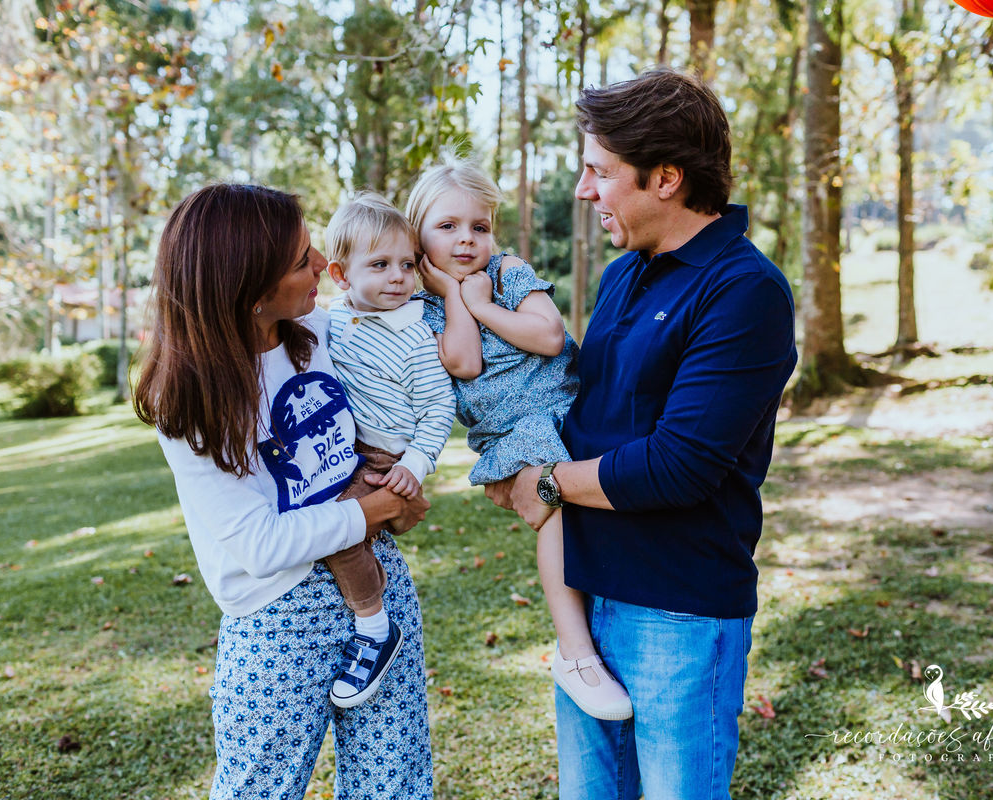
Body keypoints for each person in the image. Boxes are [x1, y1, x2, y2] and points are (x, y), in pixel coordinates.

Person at [486, 68, 798, 799]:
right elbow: (590, 416)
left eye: (600, 171)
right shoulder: (628, 274)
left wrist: (542, 483)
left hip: (678, 613)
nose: (585, 190)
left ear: (666, 178)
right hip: (589, 600)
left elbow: (678, 466)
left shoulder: (745, 291)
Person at [133, 184, 433, 800]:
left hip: (377, 583)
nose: (324, 262)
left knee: (394, 786)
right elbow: (260, 546)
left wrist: (399, 474)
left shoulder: (326, 331)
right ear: (248, 291)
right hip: (278, 618)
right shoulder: (187, 401)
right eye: (301, 260)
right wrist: (373, 508)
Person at [407, 155, 633, 721]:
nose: (466, 240)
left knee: (602, 502)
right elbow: (461, 362)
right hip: (514, 432)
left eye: (478, 227)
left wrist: (481, 300)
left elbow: (550, 335)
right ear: (417, 238)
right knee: (555, 507)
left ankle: (607, 623)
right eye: (447, 227)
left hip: (569, 406)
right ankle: (574, 653)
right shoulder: (418, 306)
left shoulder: (507, 273)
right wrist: (457, 299)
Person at [319, 191, 455, 708]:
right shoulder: (332, 317)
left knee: (335, 527)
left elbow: (438, 409)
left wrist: (415, 467)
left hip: (380, 456)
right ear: (340, 274)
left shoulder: (415, 334)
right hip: (339, 445)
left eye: (406, 265)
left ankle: (374, 626)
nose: (398, 277)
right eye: (380, 265)